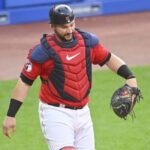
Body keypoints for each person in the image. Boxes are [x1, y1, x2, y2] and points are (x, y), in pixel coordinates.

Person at [3, 4, 138, 150]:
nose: (69, 30)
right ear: (53, 26)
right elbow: (24, 82)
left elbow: (108, 58)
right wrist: (11, 115)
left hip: (83, 112)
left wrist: (130, 77)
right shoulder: (42, 52)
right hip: (55, 113)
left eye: (72, 24)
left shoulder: (87, 43)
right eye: (64, 27)